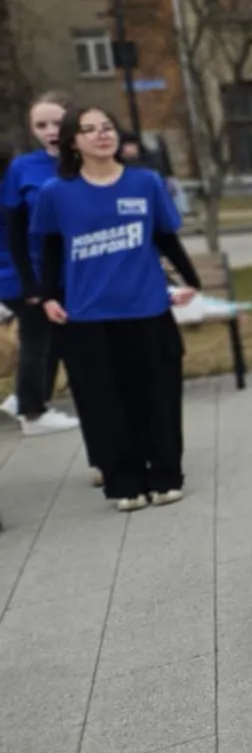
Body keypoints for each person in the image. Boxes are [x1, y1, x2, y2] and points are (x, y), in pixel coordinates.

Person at [32, 106, 199, 512]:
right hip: (89, 316)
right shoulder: (56, 192)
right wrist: (49, 296)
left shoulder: (145, 183)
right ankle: (125, 483)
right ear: (73, 142)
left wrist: (190, 280)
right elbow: (50, 249)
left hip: (146, 309)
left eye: (106, 127)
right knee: (104, 402)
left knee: (157, 397)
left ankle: (164, 476)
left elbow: (165, 238)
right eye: (88, 130)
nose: (100, 135)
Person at [3, 92, 84, 436]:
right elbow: (10, 225)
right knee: (39, 334)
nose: (51, 130)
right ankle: (32, 410)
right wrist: (27, 279)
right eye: (41, 124)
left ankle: (25, 399)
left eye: (57, 122)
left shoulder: (85, 161)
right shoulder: (24, 168)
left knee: (51, 337)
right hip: (24, 271)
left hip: (71, 270)